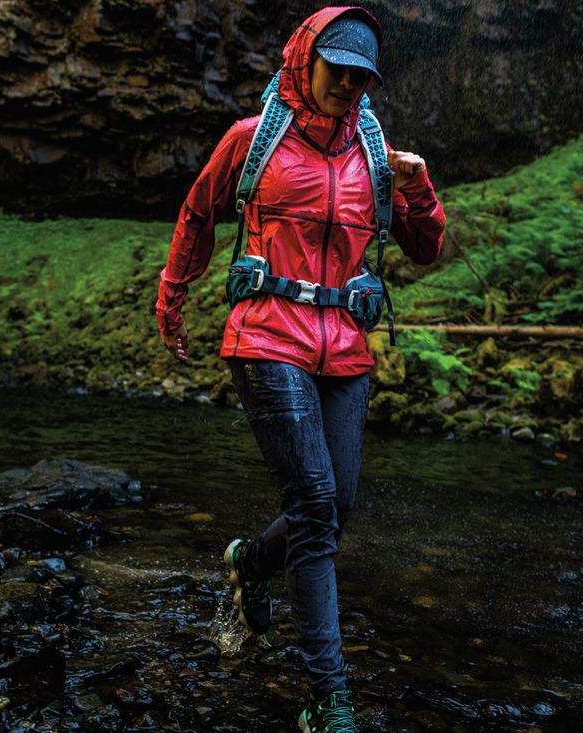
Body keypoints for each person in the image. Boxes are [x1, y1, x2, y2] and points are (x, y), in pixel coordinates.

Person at [155, 6, 446, 731]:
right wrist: (173, 295)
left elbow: (426, 249)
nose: (347, 86)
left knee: (333, 510)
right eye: (336, 71)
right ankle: (329, 699)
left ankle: (253, 563)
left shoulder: (377, 157)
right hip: (266, 336)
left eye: (360, 77)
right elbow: (199, 212)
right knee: (315, 507)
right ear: (304, 62)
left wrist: (416, 186)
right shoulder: (252, 141)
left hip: (345, 348)